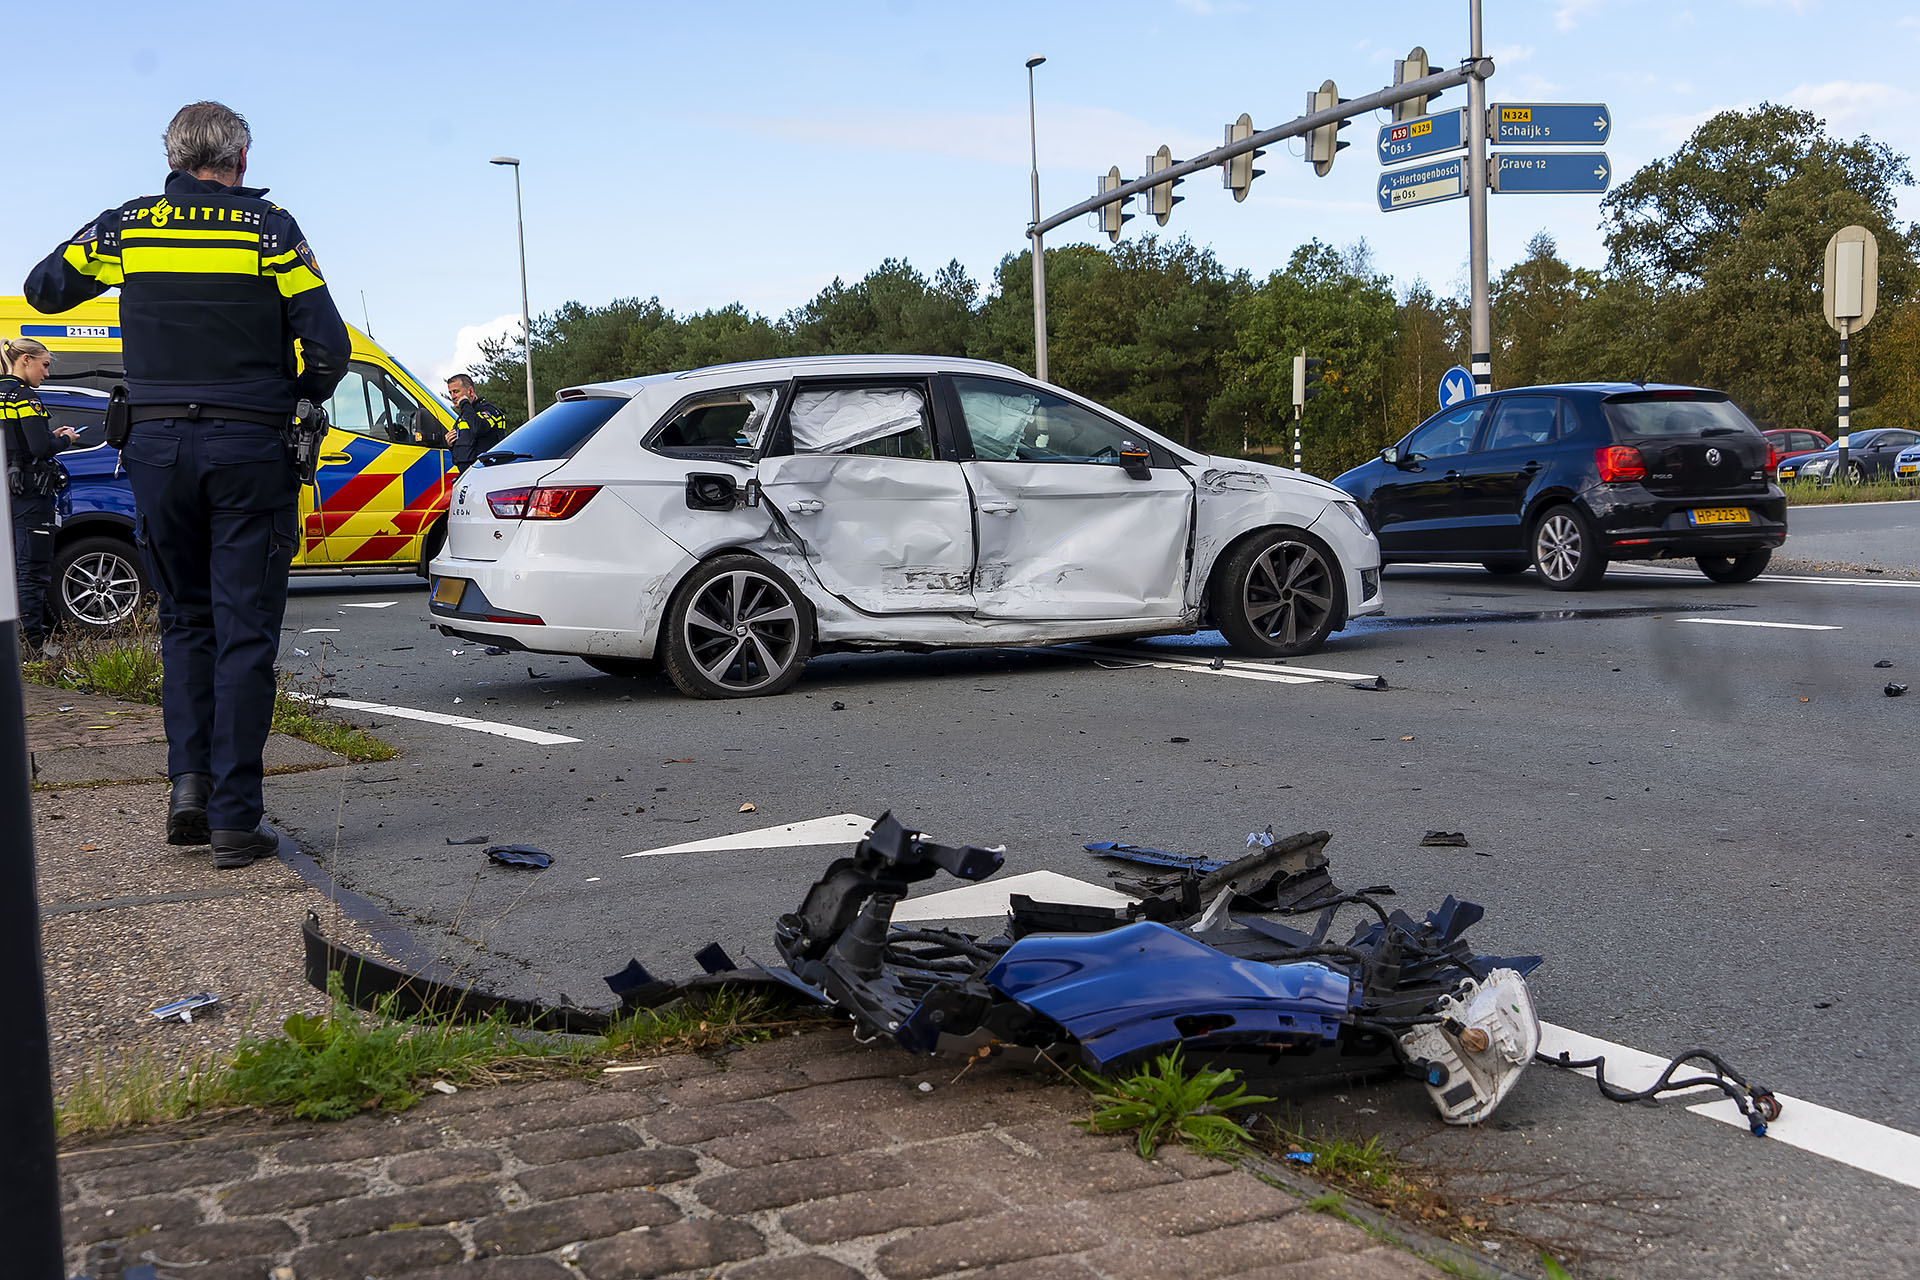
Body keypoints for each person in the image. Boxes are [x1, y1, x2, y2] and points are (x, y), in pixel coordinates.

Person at [24, 101, 350, 869]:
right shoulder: (270, 231)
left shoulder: (128, 227)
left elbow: (44, 290)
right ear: (241, 157)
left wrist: (108, 244)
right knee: (245, 632)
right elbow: (329, 349)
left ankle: (189, 791)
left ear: (171, 157)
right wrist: (289, 392)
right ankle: (237, 817)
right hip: (249, 447)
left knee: (186, 622)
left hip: (158, 449)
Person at [2, 337, 81, 651]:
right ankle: (31, 646)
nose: (46, 373)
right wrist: (65, 439)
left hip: (5, 493)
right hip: (29, 496)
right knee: (31, 570)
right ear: (24, 360)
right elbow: (39, 448)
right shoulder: (24, 398)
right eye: (44, 364)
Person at [443, 373, 508, 470]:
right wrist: (451, 445)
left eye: (456, 391)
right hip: (466, 474)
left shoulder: (488, 411)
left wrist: (464, 403)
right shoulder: (464, 415)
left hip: (486, 471)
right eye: (450, 393)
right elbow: (464, 453)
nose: (453, 397)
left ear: (470, 391)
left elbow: (479, 428)